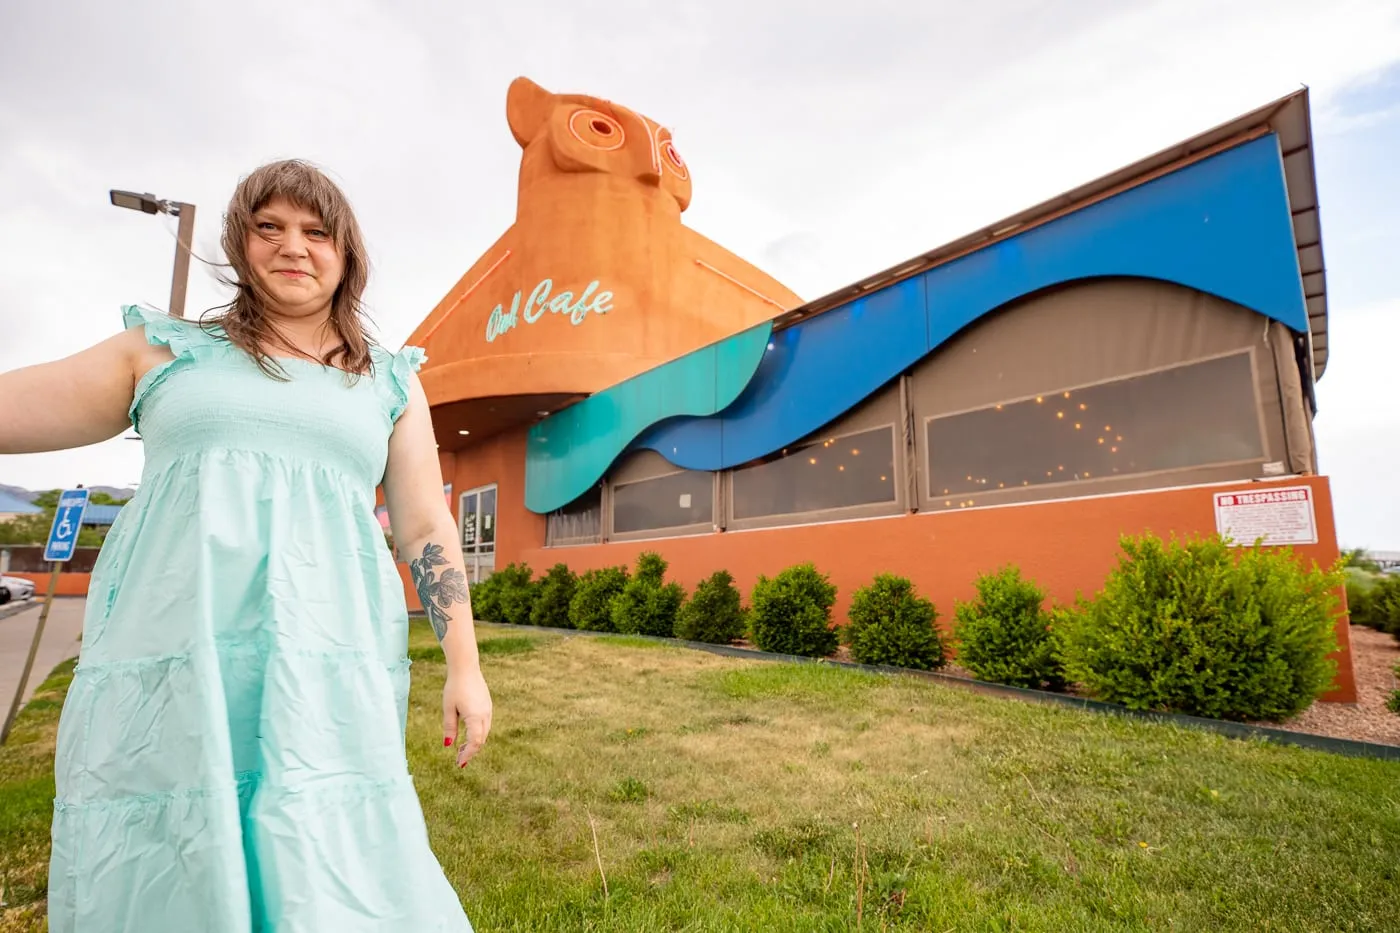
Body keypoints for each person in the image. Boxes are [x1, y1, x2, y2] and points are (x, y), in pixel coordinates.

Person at [0, 160, 490, 931]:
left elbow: (427, 529)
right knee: (167, 839)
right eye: (270, 227)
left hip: (320, 659)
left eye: (315, 231)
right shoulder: (163, 352)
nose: (293, 246)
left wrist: (464, 665)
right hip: (173, 656)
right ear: (241, 243)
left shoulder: (387, 385)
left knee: (327, 843)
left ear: (346, 252)